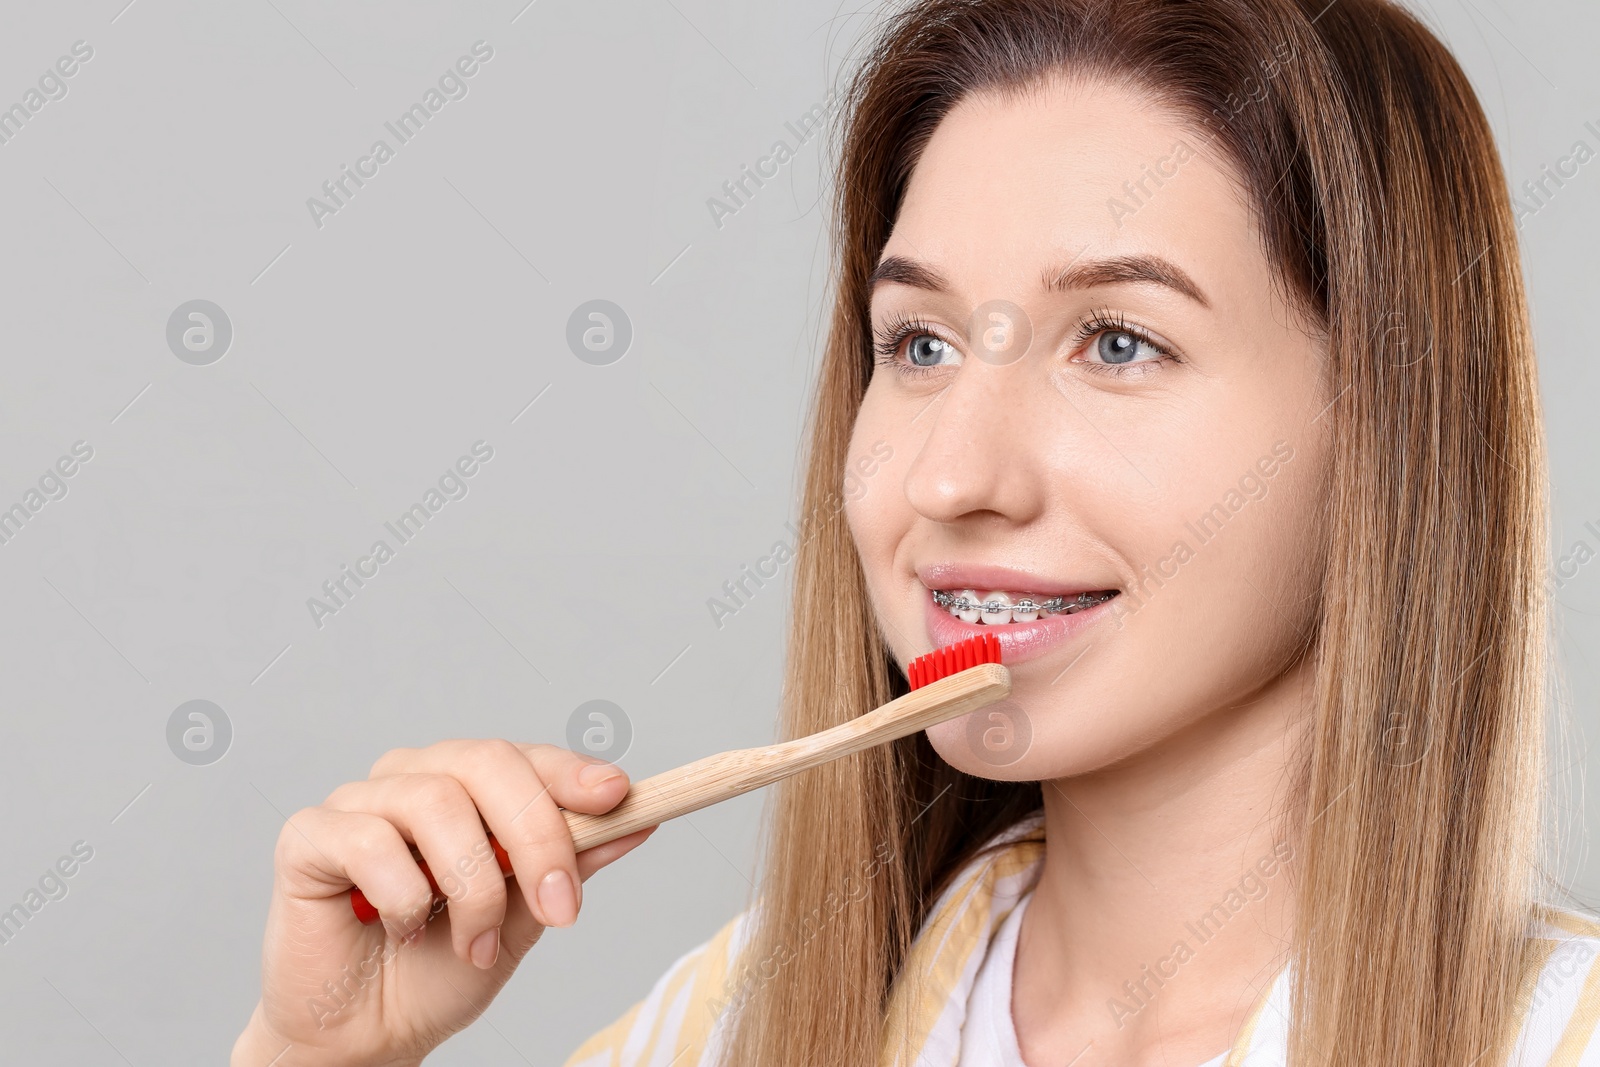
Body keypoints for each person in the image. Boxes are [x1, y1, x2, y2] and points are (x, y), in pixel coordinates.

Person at [232, 0, 1600, 1064]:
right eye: (922, 342)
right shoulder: (734, 1024)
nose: (950, 478)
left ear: (1395, 426)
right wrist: (319, 1061)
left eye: (1117, 341)